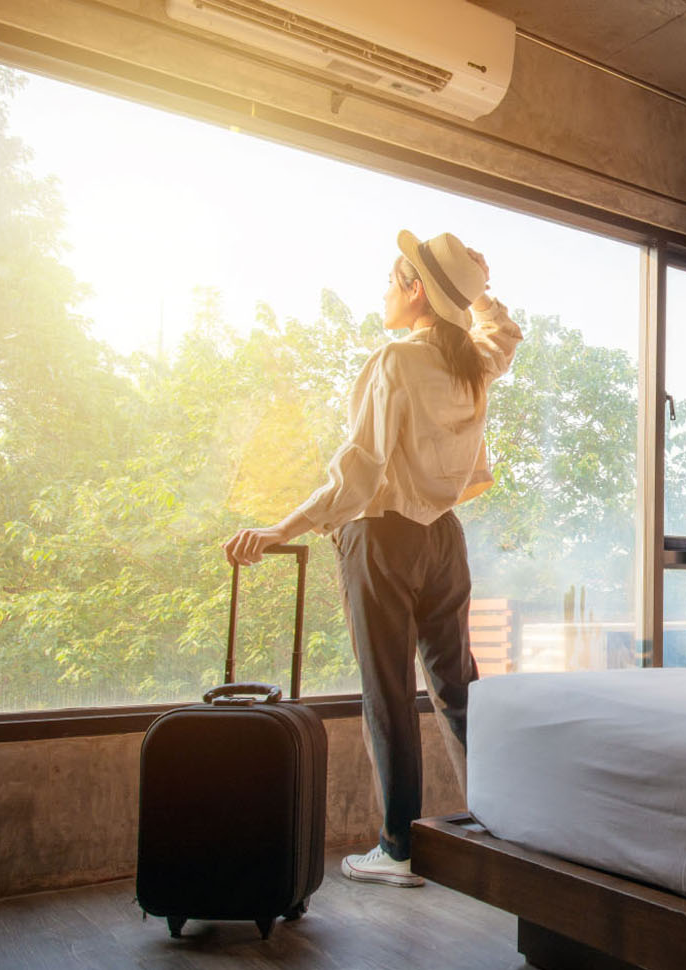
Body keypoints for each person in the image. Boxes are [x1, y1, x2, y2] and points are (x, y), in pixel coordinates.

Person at [223, 230, 522, 887]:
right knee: (457, 691)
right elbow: (504, 332)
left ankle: (398, 850)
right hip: (445, 541)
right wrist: (476, 289)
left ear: (416, 292)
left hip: (383, 539)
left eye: (393, 282)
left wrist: (278, 529)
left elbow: (356, 475)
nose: (384, 294)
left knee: (388, 695)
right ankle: (506, 829)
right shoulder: (472, 361)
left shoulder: (395, 362)